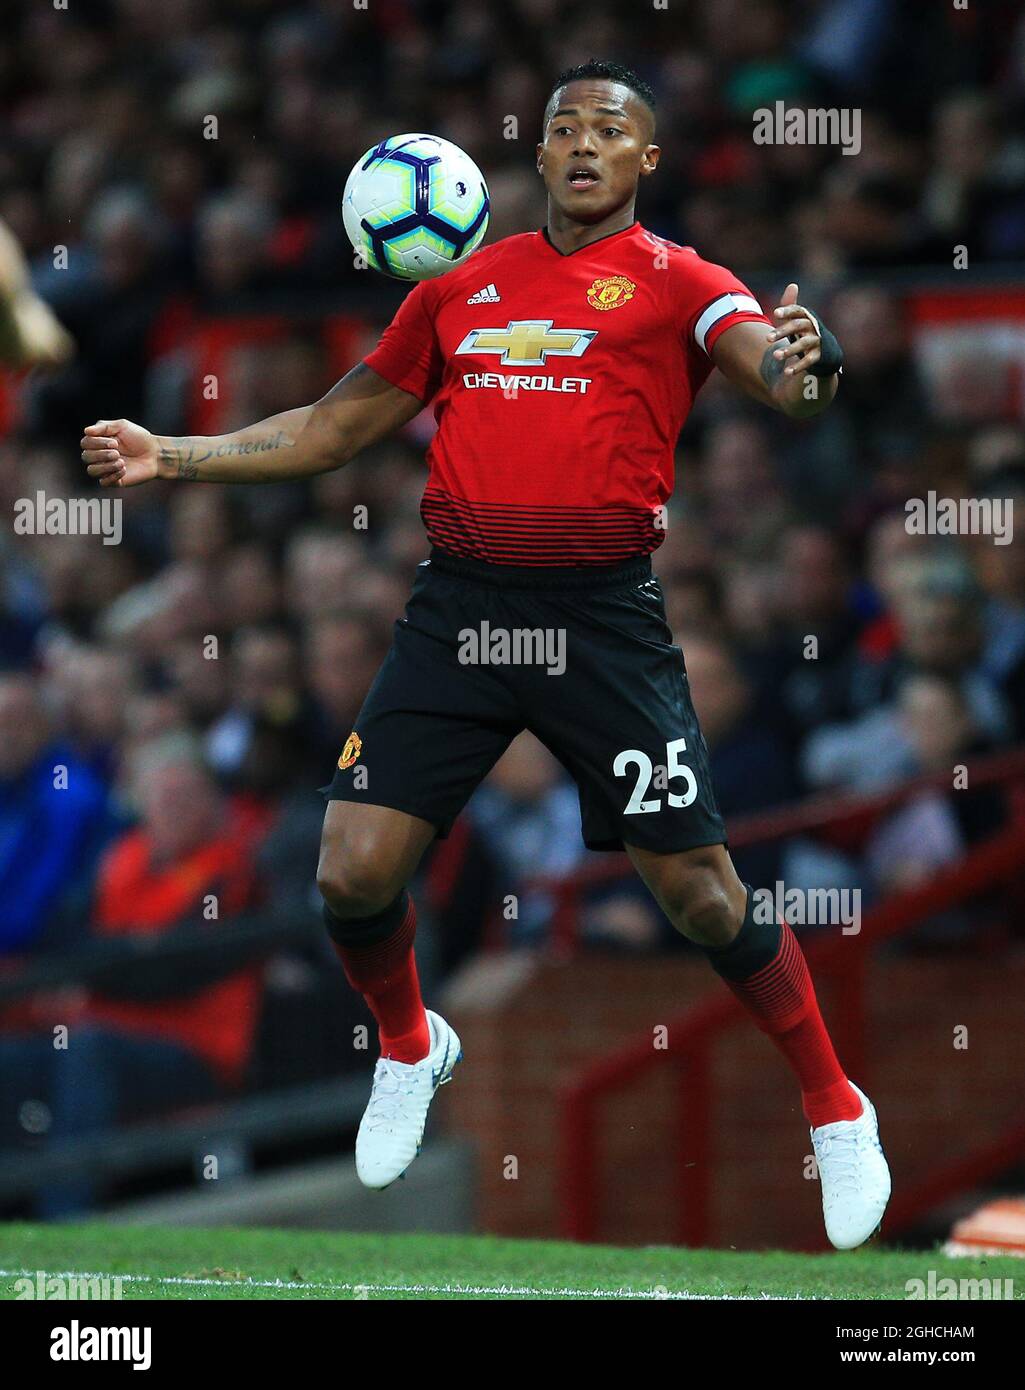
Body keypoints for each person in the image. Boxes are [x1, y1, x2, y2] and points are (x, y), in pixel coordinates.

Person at [81, 60, 888, 1249]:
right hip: (456, 611)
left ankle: (832, 1102)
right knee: (349, 874)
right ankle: (410, 1042)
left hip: (604, 623)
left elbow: (778, 374)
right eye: (563, 126)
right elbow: (329, 428)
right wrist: (173, 454)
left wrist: (810, 370)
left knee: (702, 896)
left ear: (644, 162)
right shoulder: (460, 283)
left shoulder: (682, 283)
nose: (580, 144)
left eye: (607, 130)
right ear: (537, 151)